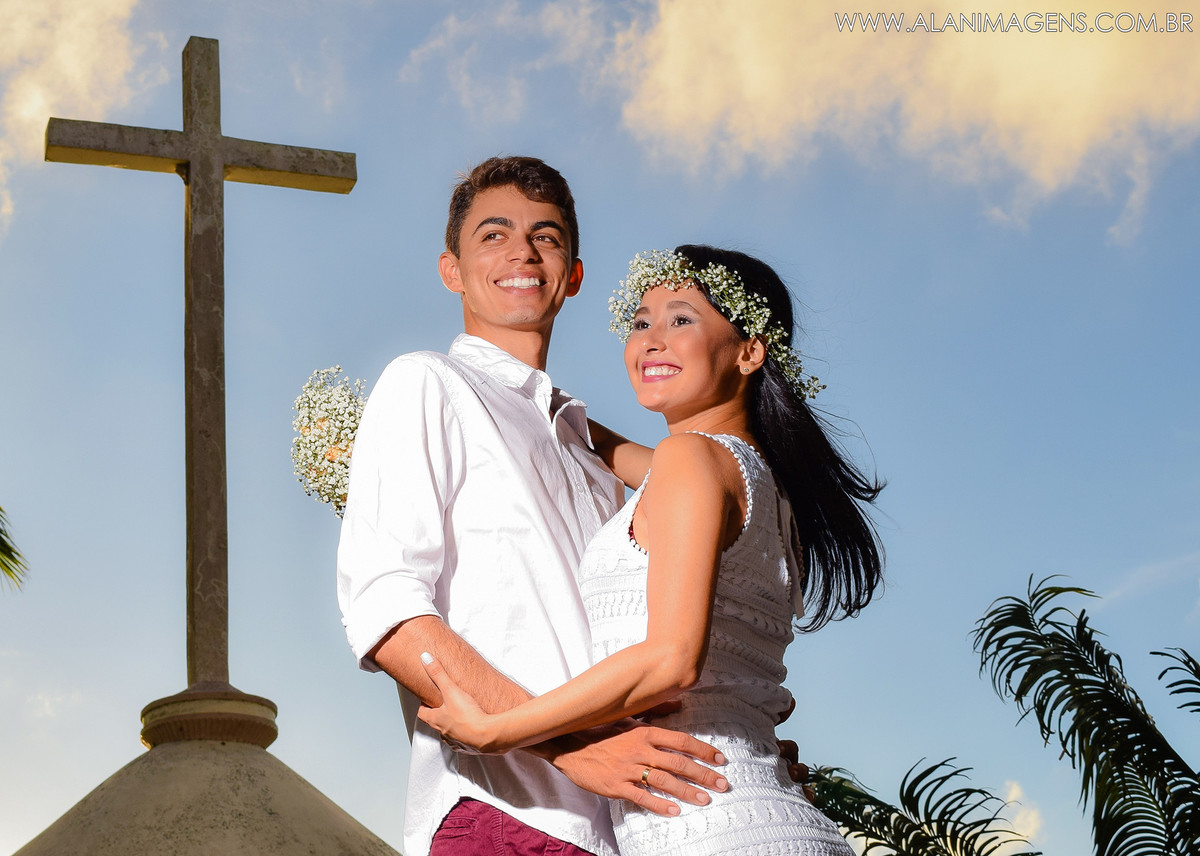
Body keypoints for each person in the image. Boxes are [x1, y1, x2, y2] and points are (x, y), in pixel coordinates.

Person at [416, 245, 885, 855]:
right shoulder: (753, 480)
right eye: (640, 322)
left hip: (713, 829)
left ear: (749, 351)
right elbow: (596, 447)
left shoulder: (694, 461)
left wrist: (498, 729)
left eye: (682, 319)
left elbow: (672, 659)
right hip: (747, 811)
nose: (651, 340)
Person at [336, 159, 731, 856]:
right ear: (451, 270)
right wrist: (568, 745)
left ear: (573, 274)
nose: (521, 252)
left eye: (545, 237)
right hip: (504, 815)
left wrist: (745, 747)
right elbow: (388, 609)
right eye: (493, 234)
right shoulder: (427, 384)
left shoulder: (594, 459)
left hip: (640, 829)